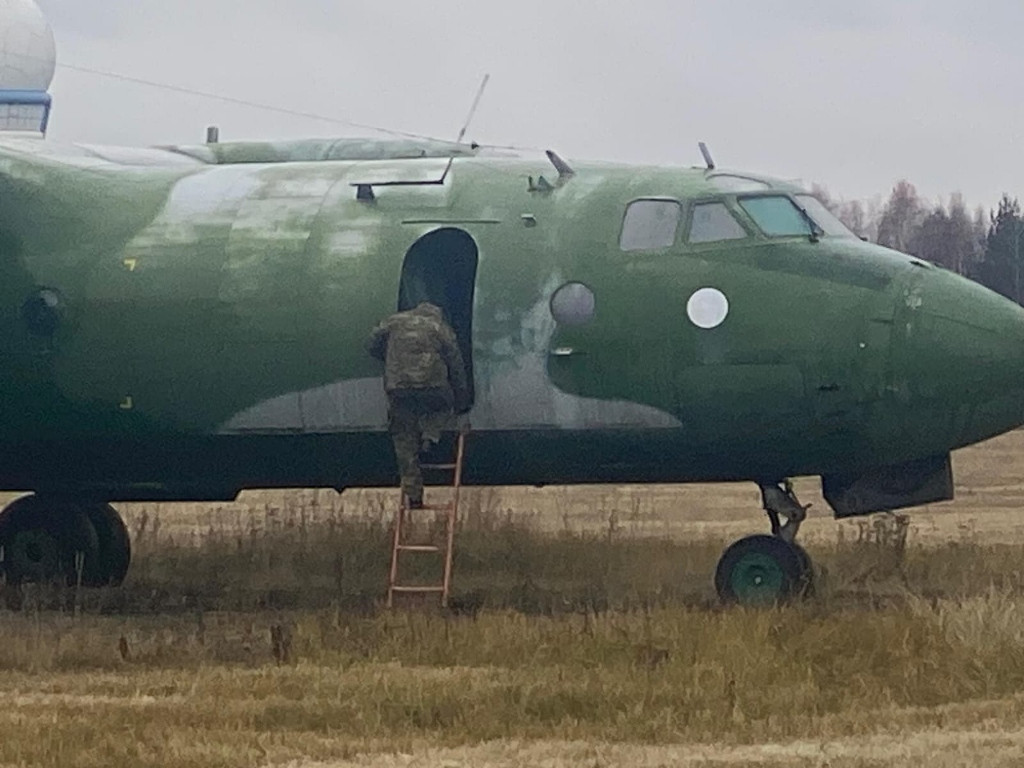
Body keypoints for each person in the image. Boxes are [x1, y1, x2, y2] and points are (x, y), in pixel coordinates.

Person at [367, 302, 470, 508]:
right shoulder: (439, 327)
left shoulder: (393, 322)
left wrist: (389, 357)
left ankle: (413, 496)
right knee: (443, 406)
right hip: (433, 386)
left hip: (399, 388)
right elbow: (456, 364)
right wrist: (462, 401)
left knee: (403, 438)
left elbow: (371, 344)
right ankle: (429, 436)